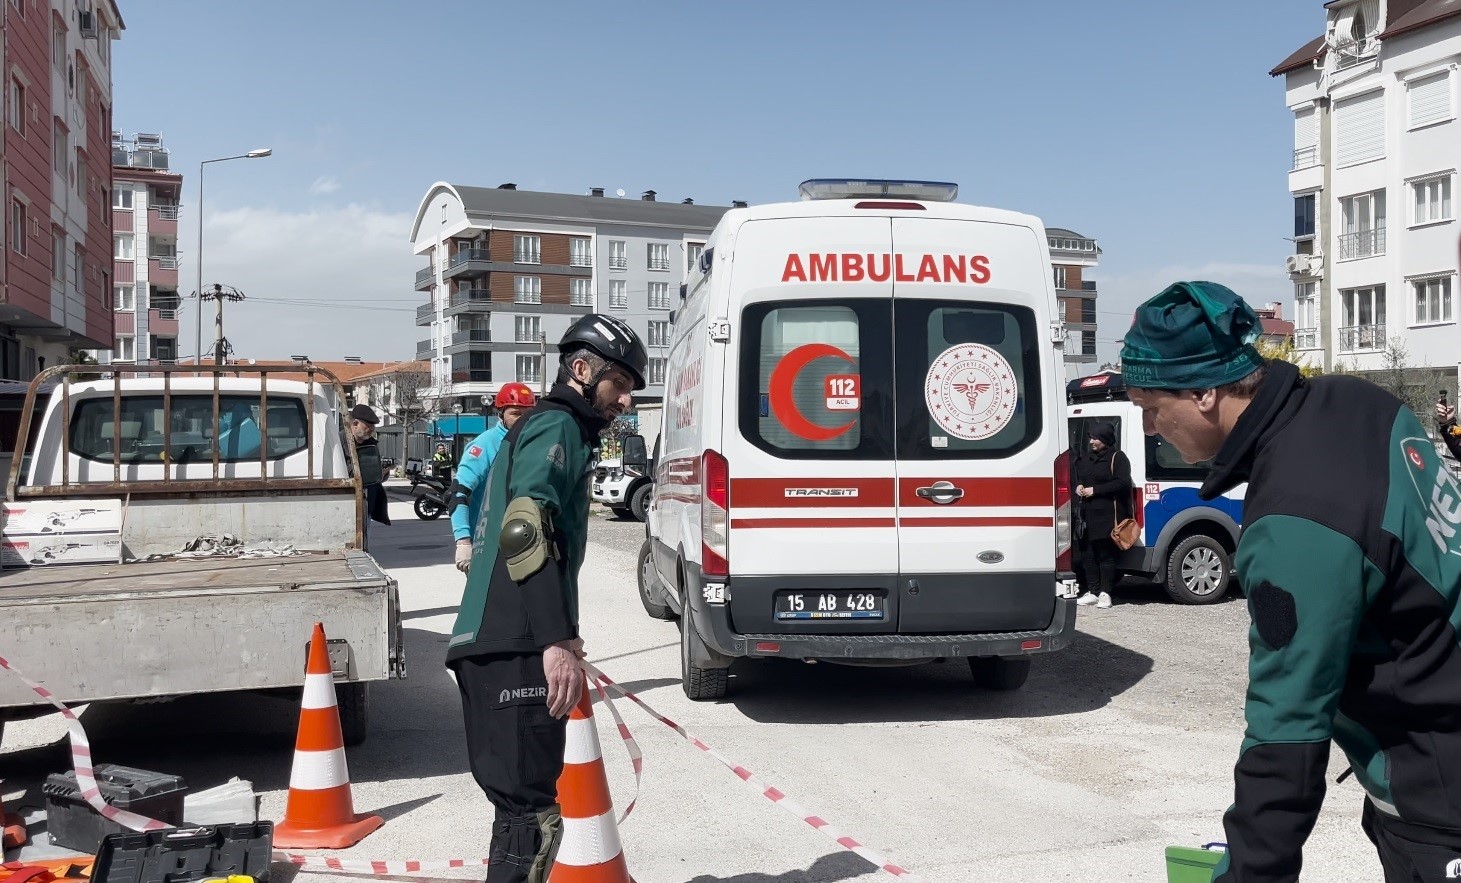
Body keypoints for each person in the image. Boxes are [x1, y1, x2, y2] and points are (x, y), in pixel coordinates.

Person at [1121, 281, 1461, 883]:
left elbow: (1288, 726)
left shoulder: (1296, 518)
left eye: (1150, 406)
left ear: (1203, 392)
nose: (1149, 427)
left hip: (1440, 788)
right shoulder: (1355, 402)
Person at [446, 313, 646, 883]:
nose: (626, 400)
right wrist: (556, 638)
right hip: (514, 642)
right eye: (620, 384)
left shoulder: (538, 427)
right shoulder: (556, 425)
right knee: (529, 818)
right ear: (582, 370)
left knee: (518, 812)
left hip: (493, 640)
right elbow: (524, 527)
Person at [450, 382, 538, 574]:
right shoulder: (485, 444)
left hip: (524, 542)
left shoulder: (534, 443)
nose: (522, 420)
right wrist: (463, 541)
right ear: (501, 413)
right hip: (487, 543)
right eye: (515, 414)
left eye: (528, 414)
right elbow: (458, 493)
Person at [1071, 421, 1131, 609]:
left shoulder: (1118, 458)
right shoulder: (1086, 459)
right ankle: (1093, 591)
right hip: (1086, 514)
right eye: (1091, 438)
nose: (1092, 442)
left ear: (1105, 439)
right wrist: (1079, 486)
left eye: (1096, 438)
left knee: (1105, 555)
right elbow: (1080, 477)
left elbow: (1122, 483)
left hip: (1107, 514)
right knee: (1087, 554)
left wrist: (1095, 490)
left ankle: (1106, 593)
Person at [346, 403, 390, 550]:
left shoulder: (372, 444)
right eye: (368, 426)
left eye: (373, 426)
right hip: (346, 503)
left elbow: (375, 475)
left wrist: (382, 473)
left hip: (367, 504)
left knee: (363, 544)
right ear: (355, 423)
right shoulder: (339, 442)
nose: (371, 429)